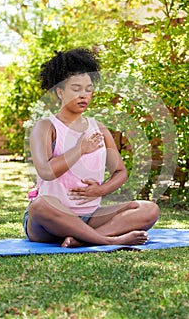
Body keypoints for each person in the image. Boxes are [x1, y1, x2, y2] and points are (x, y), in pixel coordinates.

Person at [23, 47, 159, 248]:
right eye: (76, 89)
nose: (84, 95)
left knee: (149, 209)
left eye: (88, 89)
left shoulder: (99, 128)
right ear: (60, 91)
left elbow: (120, 171)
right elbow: (46, 171)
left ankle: (80, 239)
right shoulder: (46, 127)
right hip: (50, 221)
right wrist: (80, 149)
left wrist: (101, 190)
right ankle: (108, 240)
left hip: (91, 216)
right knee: (40, 206)